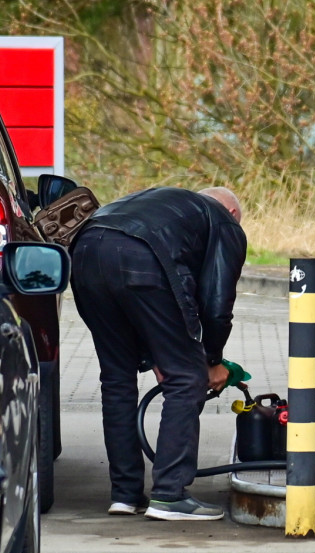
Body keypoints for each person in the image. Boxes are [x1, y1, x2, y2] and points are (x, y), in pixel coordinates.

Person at [70, 186, 247, 521]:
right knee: (186, 379)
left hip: (85, 252)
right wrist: (211, 360)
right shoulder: (225, 222)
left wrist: (156, 357)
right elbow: (217, 302)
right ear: (233, 213)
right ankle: (169, 494)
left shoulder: (167, 205)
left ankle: (125, 495)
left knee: (117, 379)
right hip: (141, 255)